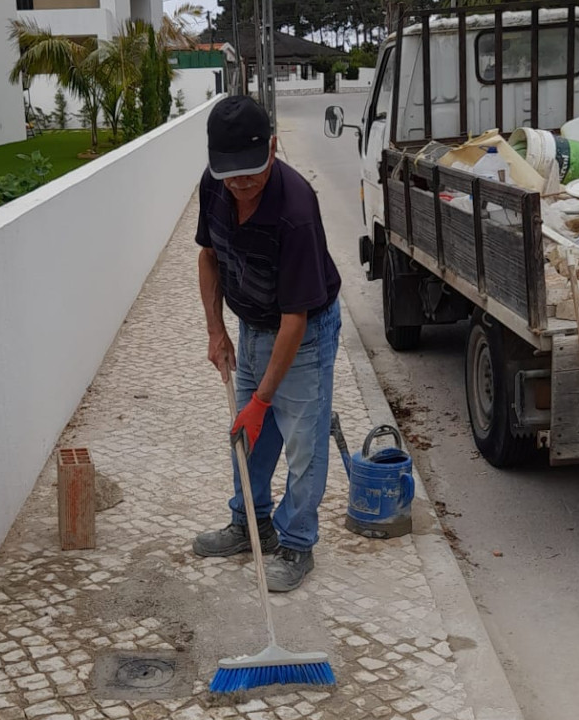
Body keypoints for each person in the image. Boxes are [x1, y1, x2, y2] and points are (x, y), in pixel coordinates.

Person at [191, 96, 342, 593]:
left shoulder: (295, 207)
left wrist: (261, 400)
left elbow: (294, 320)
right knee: (247, 440)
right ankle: (250, 525)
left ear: (273, 149)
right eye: (232, 175)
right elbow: (209, 258)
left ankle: (297, 543)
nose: (241, 185)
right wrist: (216, 330)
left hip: (303, 335)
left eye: (251, 174)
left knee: (302, 445)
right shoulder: (214, 188)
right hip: (250, 327)